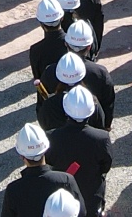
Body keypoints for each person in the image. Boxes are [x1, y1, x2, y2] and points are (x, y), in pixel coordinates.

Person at [47, 86, 114, 217]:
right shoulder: (101, 137)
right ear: (91, 111)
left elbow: (48, 161)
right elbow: (106, 165)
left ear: (66, 111)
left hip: (62, 192)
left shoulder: (51, 137)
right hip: (92, 192)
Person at [3, 124, 84, 217]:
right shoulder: (66, 180)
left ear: (22, 156)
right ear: (46, 150)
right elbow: (81, 212)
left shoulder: (13, 189)